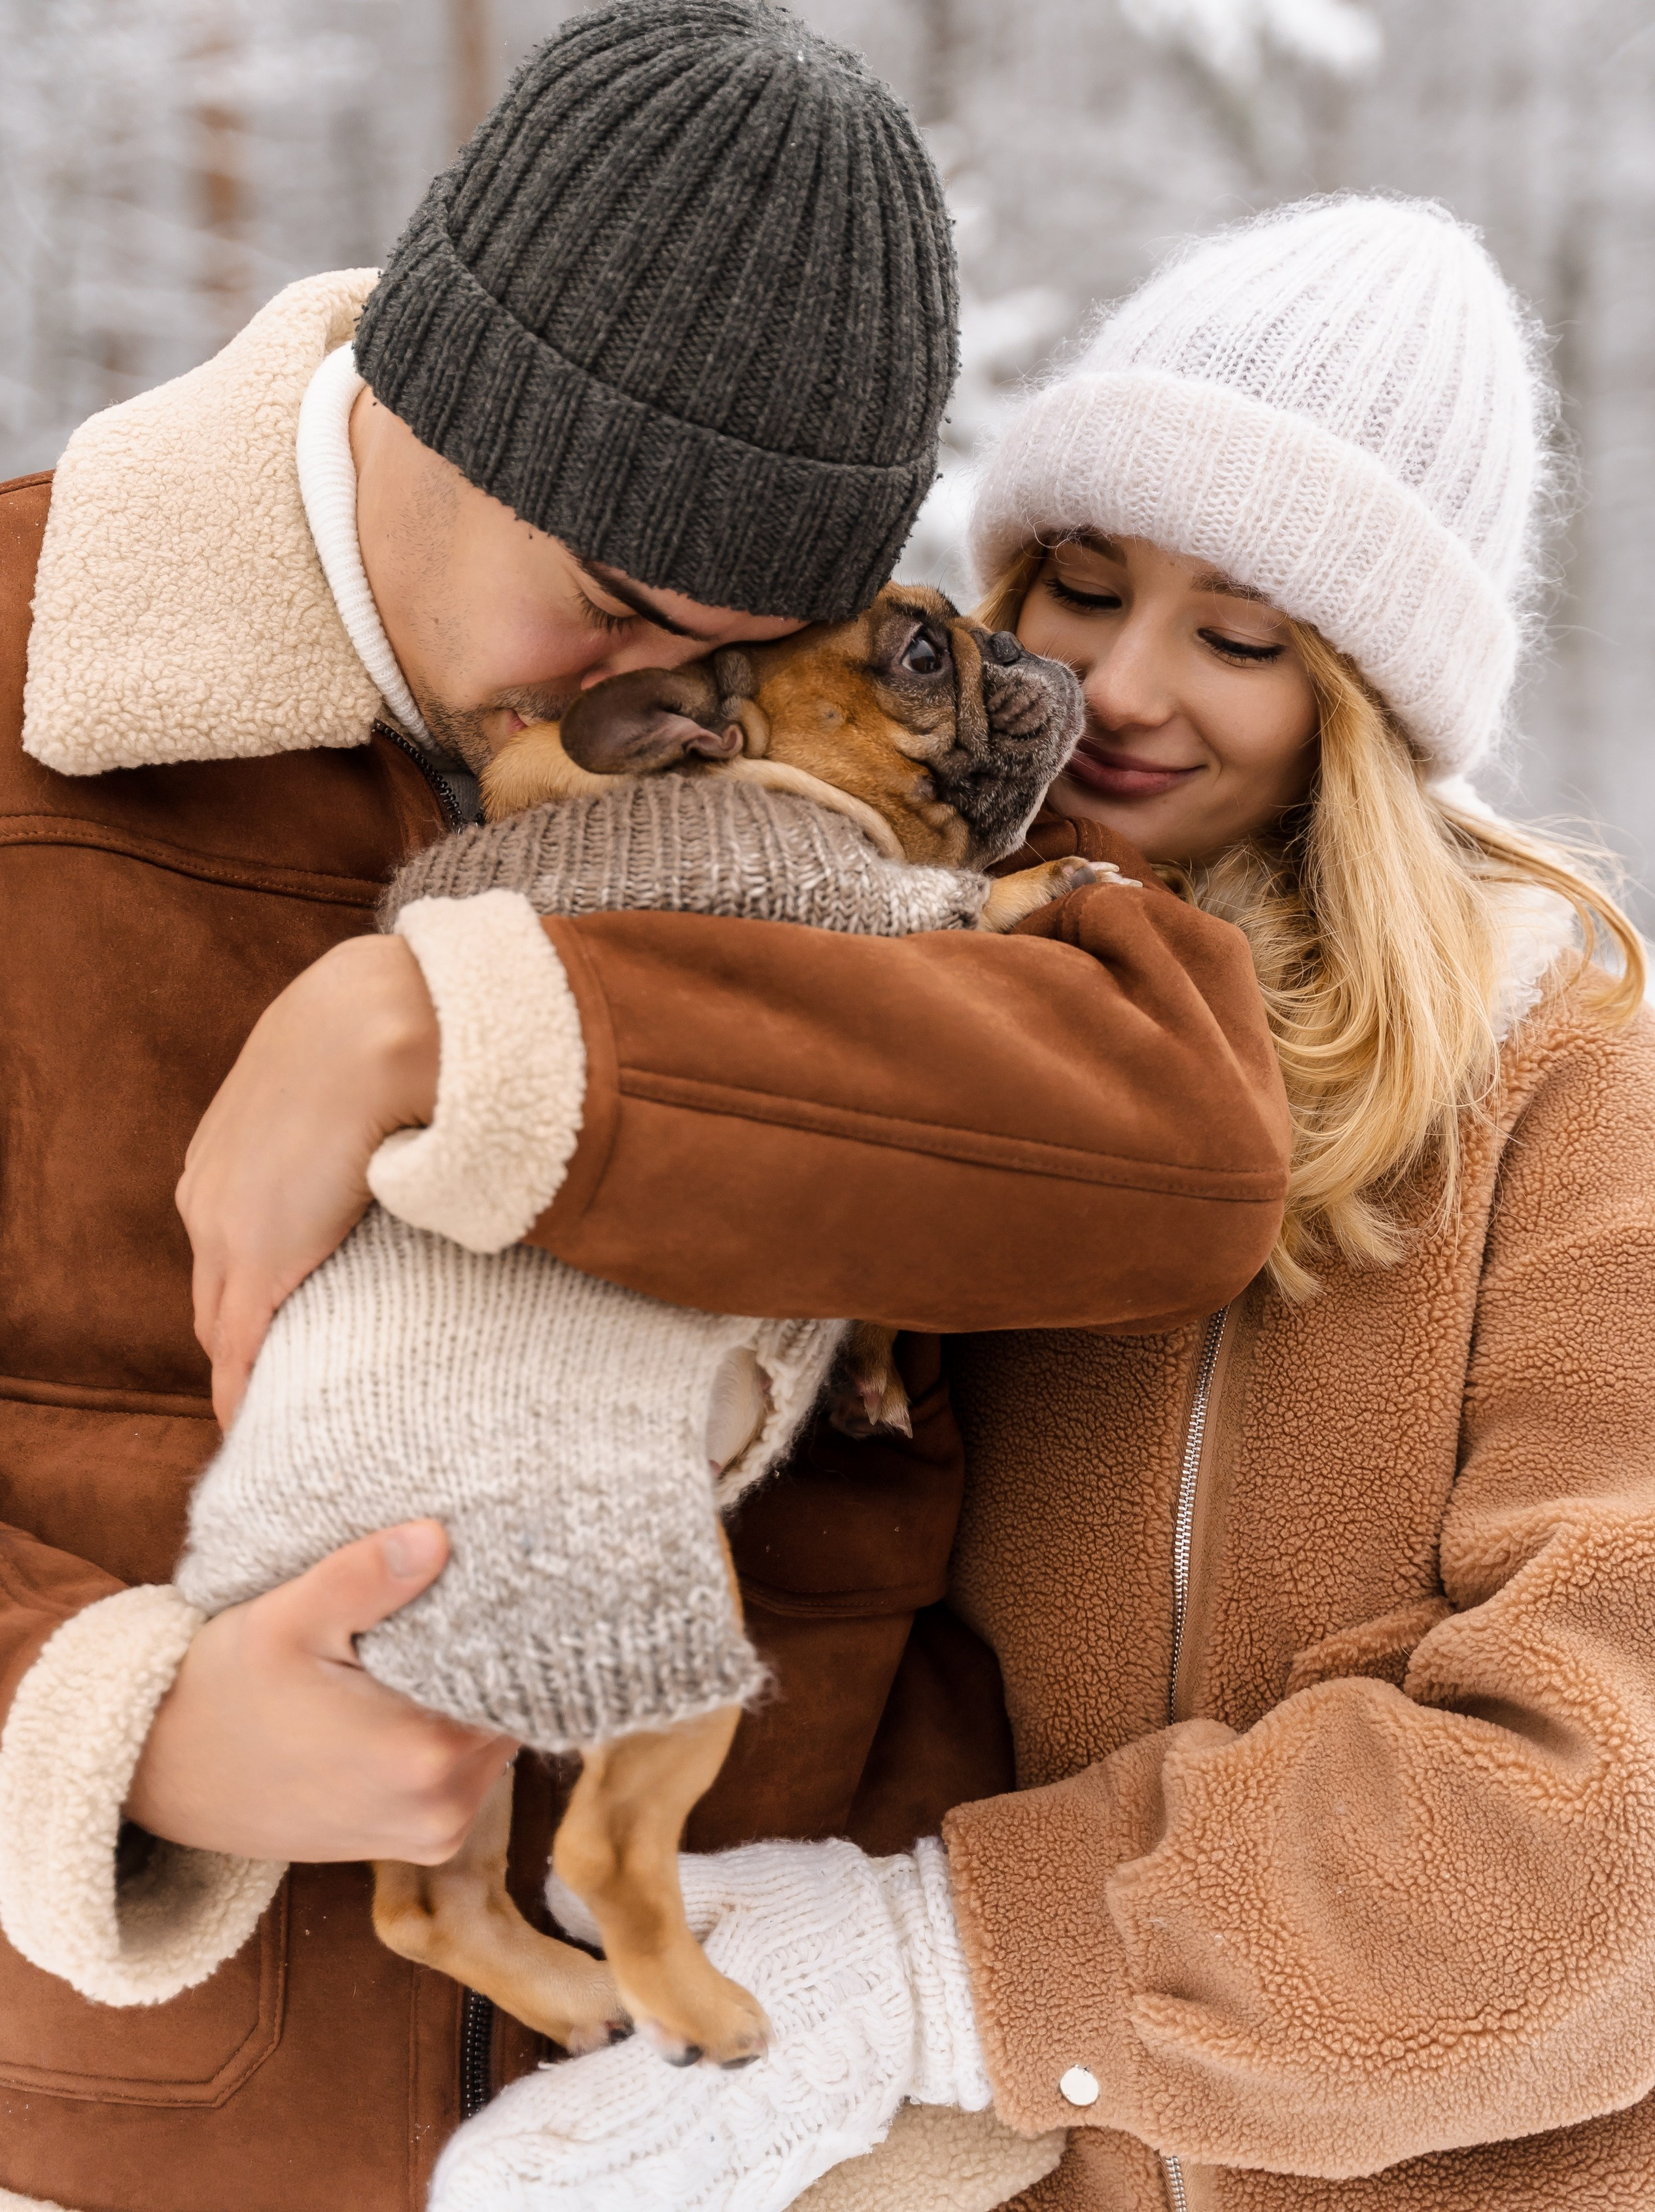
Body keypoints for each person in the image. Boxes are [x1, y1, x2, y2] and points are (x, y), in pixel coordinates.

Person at [0, 0, 1285, 2212]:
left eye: (745, 654)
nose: (665, 701)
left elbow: (1175, 1148)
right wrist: (106, 1733)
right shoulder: (16, 706)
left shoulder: (819, 782)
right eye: (608, 607)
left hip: (745, 2128)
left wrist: (474, 1031)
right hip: (149, 2137)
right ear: (427, 396)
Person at [416, 194, 1655, 2212]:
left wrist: (951, 1964)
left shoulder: (1561, 1083)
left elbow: (1605, 1825)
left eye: (1243, 639)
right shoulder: (932, 1009)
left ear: (1376, 703)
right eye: (1079, 589)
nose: (1126, 690)